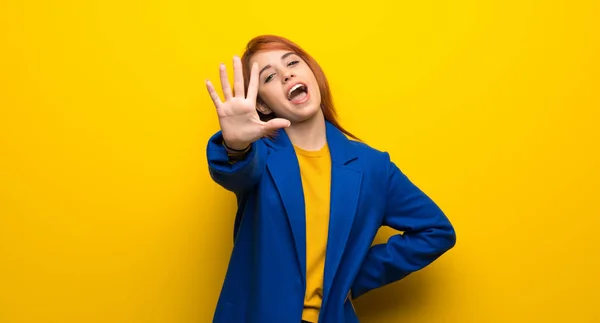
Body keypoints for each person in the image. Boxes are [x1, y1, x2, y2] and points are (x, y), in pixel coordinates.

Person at [204, 34, 456, 323]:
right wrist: (235, 145)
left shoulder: (372, 166)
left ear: (312, 72)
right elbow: (235, 172)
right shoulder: (258, 156)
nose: (287, 74)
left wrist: (353, 275)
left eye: (293, 62)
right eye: (270, 76)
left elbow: (436, 231)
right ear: (262, 105)